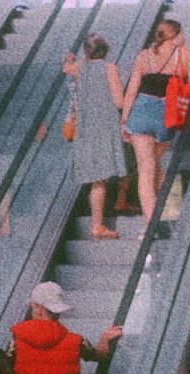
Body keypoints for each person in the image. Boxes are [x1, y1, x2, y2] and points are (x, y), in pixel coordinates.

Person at [8, 281, 122, 374]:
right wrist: (105, 339)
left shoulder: (15, 344)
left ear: (36, 307)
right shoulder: (76, 342)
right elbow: (100, 356)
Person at [121, 19, 190, 228]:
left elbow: (131, 91)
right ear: (175, 34)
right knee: (155, 166)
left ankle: (151, 226)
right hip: (166, 115)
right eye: (182, 33)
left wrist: (124, 121)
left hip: (140, 113)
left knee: (146, 172)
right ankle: (171, 213)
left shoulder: (143, 56)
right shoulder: (184, 53)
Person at [63, 33, 127, 239]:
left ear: (86, 52)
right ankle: (97, 226)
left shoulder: (79, 69)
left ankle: (102, 220)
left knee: (96, 179)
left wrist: (73, 59)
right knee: (100, 179)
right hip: (104, 127)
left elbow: (67, 68)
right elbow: (119, 102)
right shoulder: (109, 68)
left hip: (85, 128)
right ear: (106, 50)